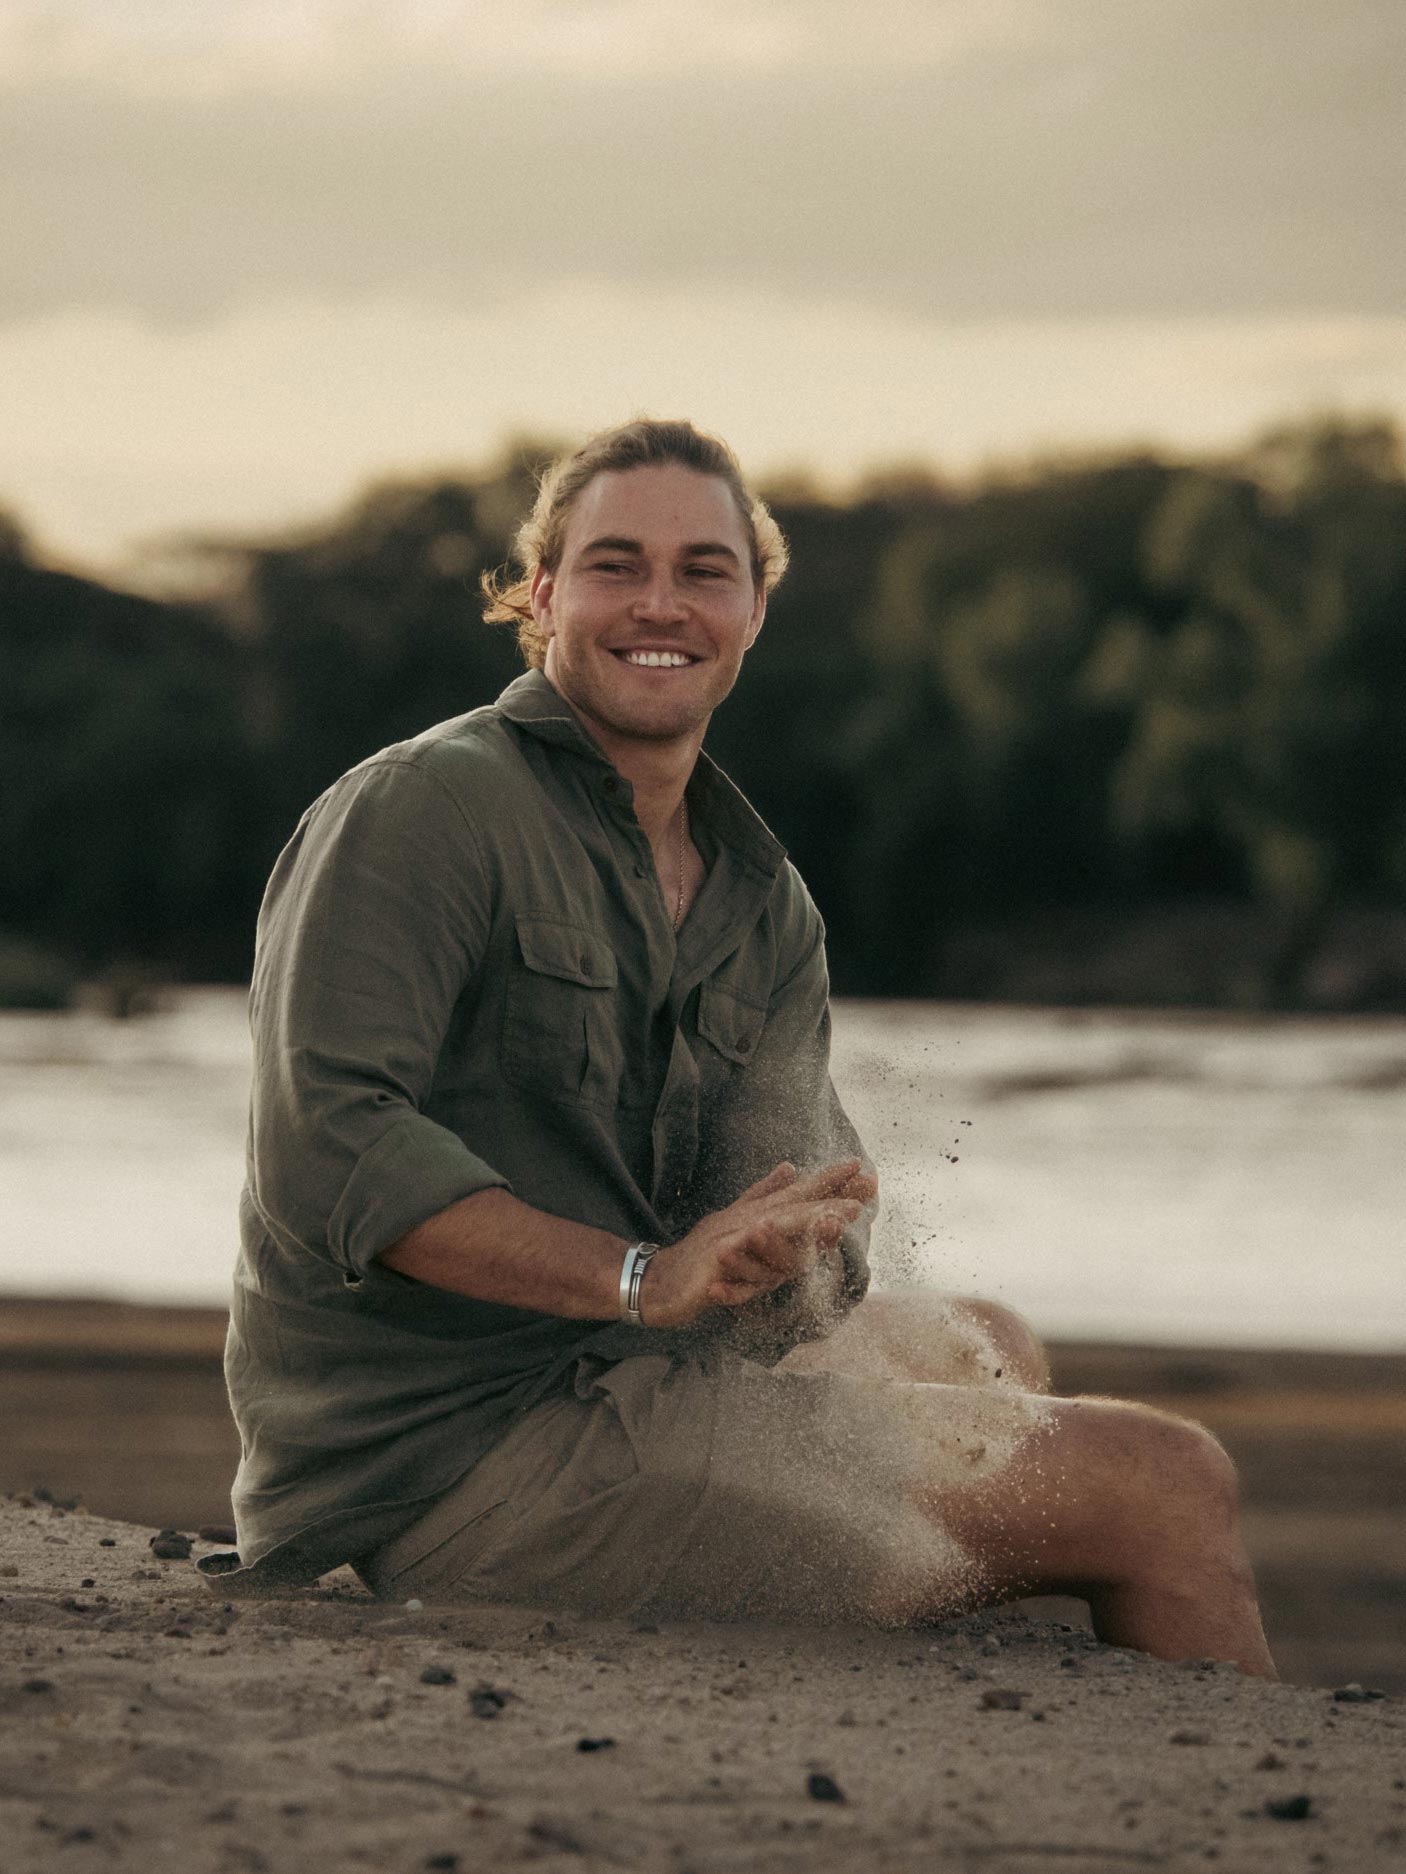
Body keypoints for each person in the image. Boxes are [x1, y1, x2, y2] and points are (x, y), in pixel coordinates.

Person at [201, 418, 1275, 1678]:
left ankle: (848, 1636)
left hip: (629, 1378)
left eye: (704, 570)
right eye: (615, 564)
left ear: (754, 607)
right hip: (441, 1466)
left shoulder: (761, 899)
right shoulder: (424, 807)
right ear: (542, 595)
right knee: (1162, 1481)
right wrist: (641, 1276)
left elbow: (805, 1198)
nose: (660, 602)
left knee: (991, 1346)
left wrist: (789, 1251)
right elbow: (331, 1151)